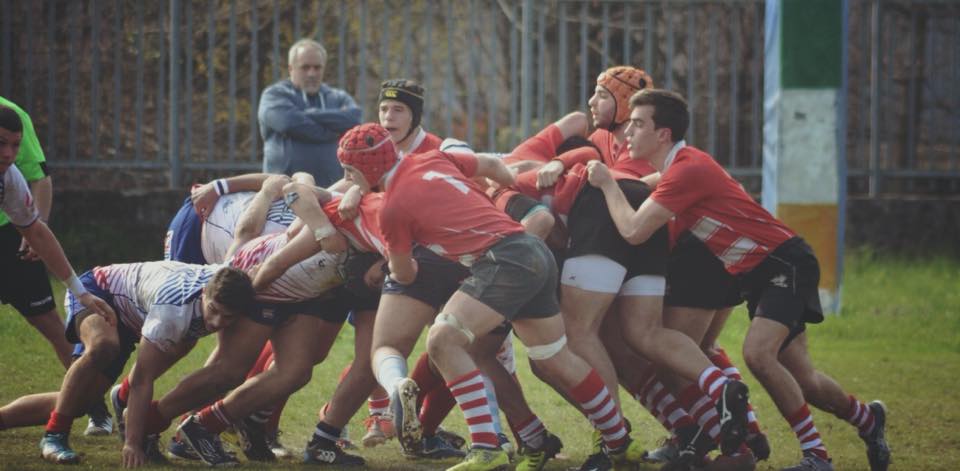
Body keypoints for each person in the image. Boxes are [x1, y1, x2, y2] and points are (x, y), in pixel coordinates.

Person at [586, 88, 891, 471]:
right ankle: (867, 419)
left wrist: (605, 184)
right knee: (806, 379)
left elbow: (633, 231)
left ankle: (816, 457)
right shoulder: (678, 167)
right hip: (757, 270)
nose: (627, 131)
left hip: (783, 263)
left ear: (663, 133)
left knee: (758, 354)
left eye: (637, 123)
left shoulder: (686, 169)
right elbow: (646, 186)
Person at [337, 123, 647, 471]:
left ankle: (486, 447)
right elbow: (490, 166)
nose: (348, 179)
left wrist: (394, 269)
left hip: (502, 260)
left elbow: (406, 274)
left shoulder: (391, 208)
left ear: (365, 169)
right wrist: (499, 185)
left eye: (349, 171)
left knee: (443, 340)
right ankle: (619, 440)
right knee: (554, 356)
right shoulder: (432, 158)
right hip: (532, 251)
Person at [0, 262, 255, 466]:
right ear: (204, 294)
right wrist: (132, 443)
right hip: (100, 291)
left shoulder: (231, 283)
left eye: (228, 316)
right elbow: (143, 379)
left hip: (136, 315)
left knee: (77, 403)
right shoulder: (173, 310)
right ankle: (55, 436)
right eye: (213, 310)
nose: (217, 321)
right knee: (103, 346)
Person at [259, 38, 362, 187]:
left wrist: (308, 114)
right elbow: (288, 123)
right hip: (282, 195)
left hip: (331, 195)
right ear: (291, 69)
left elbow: (355, 119)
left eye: (317, 67)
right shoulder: (274, 95)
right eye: (305, 67)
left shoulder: (338, 96)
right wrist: (333, 130)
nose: (312, 73)